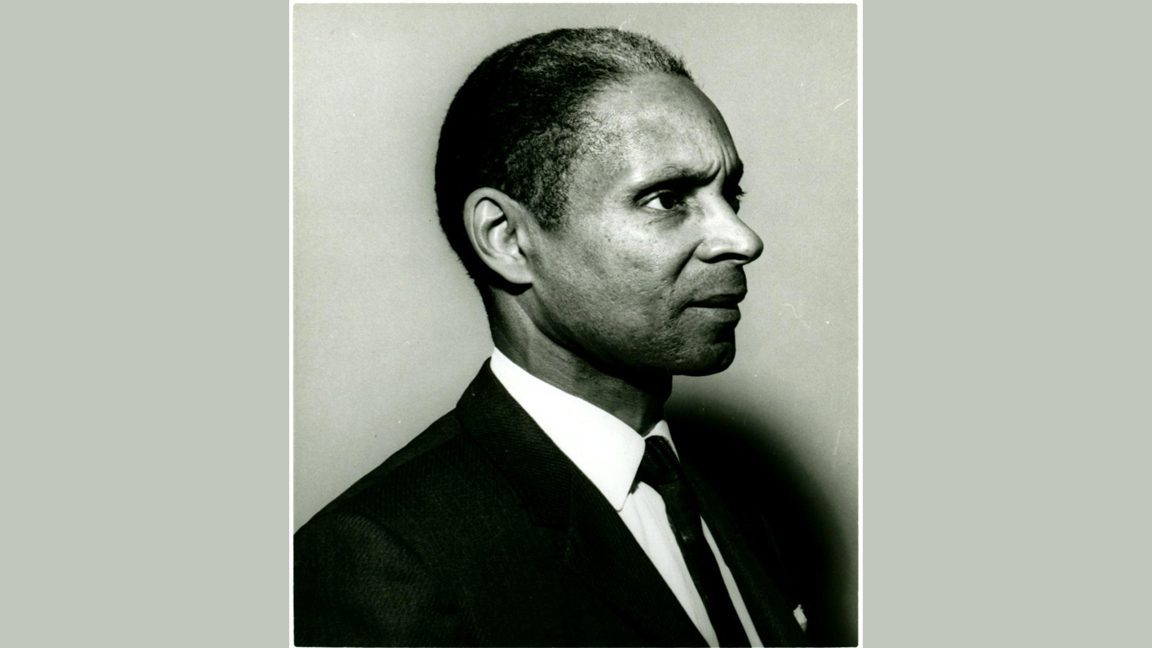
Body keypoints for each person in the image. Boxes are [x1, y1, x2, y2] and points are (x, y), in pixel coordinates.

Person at [295, 27, 840, 647]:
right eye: (666, 199)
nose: (742, 239)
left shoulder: (734, 497)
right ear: (506, 238)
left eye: (729, 193)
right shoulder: (384, 561)